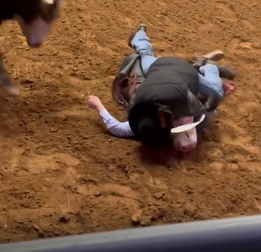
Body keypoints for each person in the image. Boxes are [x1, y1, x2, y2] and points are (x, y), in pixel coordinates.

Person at [85, 24, 237, 155]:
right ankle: (204, 65)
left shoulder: (178, 108)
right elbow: (117, 128)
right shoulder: (170, 110)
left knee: (215, 90)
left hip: (171, 71)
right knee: (145, 56)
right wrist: (98, 104)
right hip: (164, 70)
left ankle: (207, 66)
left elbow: (116, 128)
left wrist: (98, 105)